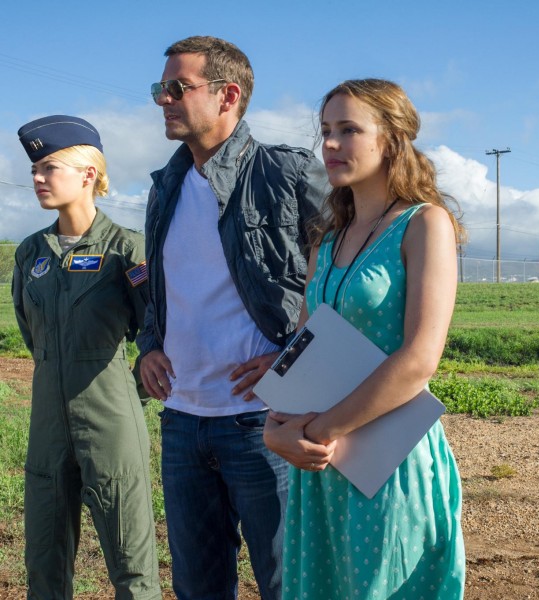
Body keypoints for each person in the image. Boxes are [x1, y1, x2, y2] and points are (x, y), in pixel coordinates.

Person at [136, 36, 328, 600]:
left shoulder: (288, 173)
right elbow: (160, 287)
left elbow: (344, 280)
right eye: (160, 88)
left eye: (177, 88)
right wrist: (148, 345)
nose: (163, 100)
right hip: (181, 422)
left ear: (228, 95)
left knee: (287, 583)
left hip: (262, 422)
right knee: (197, 586)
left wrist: (292, 361)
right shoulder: (164, 187)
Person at [263, 79, 467, 599]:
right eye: (326, 130)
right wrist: (275, 429)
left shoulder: (425, 224)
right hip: (321, 466)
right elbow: (302, 349)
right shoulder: (327, 240)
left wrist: (321, 429)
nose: (330, 144)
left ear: (393, 139)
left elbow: (420, 358)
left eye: (349, 130)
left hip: (387, 459)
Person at [12, 116, 161, 599]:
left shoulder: (127, 250)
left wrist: (125, 394)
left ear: (88, 174)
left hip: (110, 424)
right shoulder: (31, 253)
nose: (37, 177)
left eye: (49, 167)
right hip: (47, 427)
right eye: (34, 169)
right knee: (44, 564)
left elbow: (158, 335)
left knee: (132, 567)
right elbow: (31, 332)